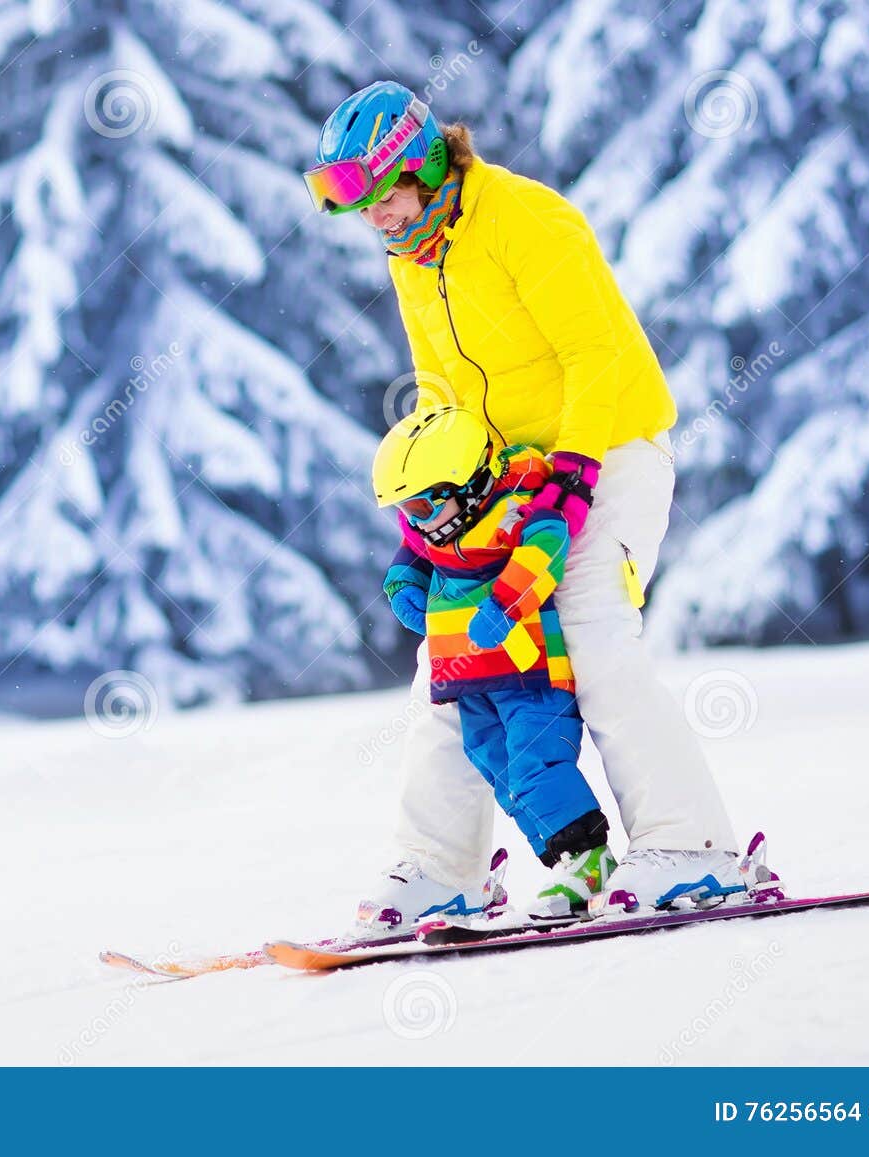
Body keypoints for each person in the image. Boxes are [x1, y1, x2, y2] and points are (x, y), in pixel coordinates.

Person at [303, 80, 747, 924]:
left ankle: (694, 849)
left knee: (592, 631)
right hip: (505, 483)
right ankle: (442, 868)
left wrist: (576, 471)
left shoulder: (525, 219)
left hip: (610, 451)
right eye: (350, 203)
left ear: (425, 166)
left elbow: (594, 354)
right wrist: (435, 514)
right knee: (452, 656)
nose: (374, 218)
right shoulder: (413, 259)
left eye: (378, 192)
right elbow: (442, 394)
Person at [367, 405, 619, 926]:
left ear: (460, 485)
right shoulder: (436, 532)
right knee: (500, 772)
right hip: (470, 681)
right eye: (403, 511)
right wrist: (402, 584)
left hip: (528, 676)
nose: (412, 522)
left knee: (535, 766)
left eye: (417, 506)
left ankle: (590, 859)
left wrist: (506, 603)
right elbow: (411, 554)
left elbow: (547, 546)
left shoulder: (516, 508)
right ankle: (559, 862)